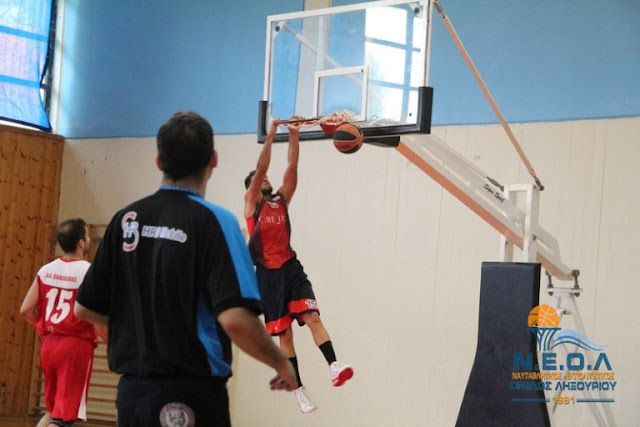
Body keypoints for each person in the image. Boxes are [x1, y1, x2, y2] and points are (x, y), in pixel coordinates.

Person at [73, 111, 297, 427]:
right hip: (191, 393)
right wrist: (280, 362)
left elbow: (85, 308)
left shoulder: (126, 219)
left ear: (159, 162)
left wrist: (139, 340)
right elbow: (235, 319)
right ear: (213, 160)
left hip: (131, 396)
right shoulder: (216, 222)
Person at [243, 119, 354, 414]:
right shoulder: (252, 204)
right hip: (269, 275)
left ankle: (334, 365)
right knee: (286, 336)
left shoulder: (280, 201)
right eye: (260, 179)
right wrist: (271, 135)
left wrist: (294, 134)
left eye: (266, 179)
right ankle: (299, 390)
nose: (265, 180)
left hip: (291, 268)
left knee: (313, 317)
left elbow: (292, 167)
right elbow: (262, 168)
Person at [20, 218, 104, 427]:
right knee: (63, 418)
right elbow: (94, 315)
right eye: (86, 235)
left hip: (49, 344)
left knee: (54, 411)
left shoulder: (45, 270)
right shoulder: (89, 272)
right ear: (81, 243)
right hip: (75, 346)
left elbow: (25, 310)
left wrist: (45, 328)